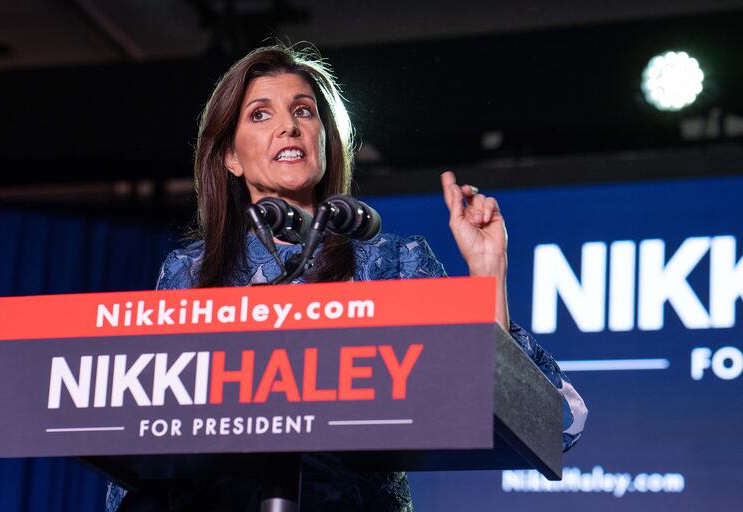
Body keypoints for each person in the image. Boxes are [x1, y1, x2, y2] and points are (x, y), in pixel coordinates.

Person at [107, 44, 587, 512]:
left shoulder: (391, 261)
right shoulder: (189, 271)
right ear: (230, 156)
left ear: (325, 139)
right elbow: (139, 433)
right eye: (260, 115)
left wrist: (487, 272)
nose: (289, 126)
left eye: (303, 110)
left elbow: (541, 419)